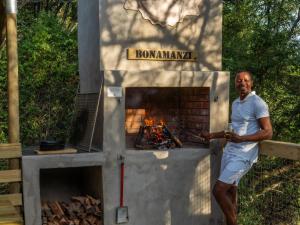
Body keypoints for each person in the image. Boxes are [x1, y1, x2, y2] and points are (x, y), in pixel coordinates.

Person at [201, 71, 273, 225]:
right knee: (230, 192)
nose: (242, 83)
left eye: (246, 80)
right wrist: (212, 135)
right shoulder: (235, 103)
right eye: (239, 80)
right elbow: (233, 130)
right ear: (235, 84)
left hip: (244, 155)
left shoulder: (258, 103)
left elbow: (268, 132)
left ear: (251, 83)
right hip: (229, 152)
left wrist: (242, 139)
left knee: (218, 190)